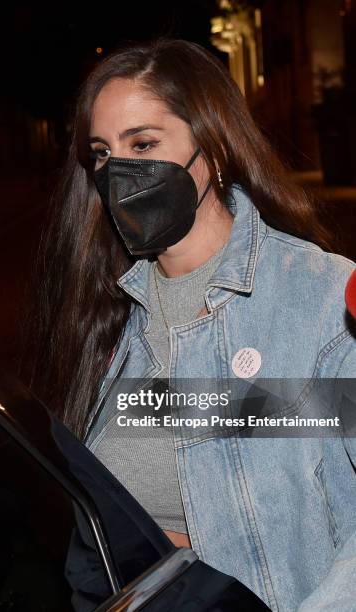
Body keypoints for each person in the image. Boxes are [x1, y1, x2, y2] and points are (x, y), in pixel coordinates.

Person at [19, 37, 356, 611]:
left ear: (214, 147)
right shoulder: (108, 321)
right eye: (102, 153)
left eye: (144, 143)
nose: (119, 172)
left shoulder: (318, 299)